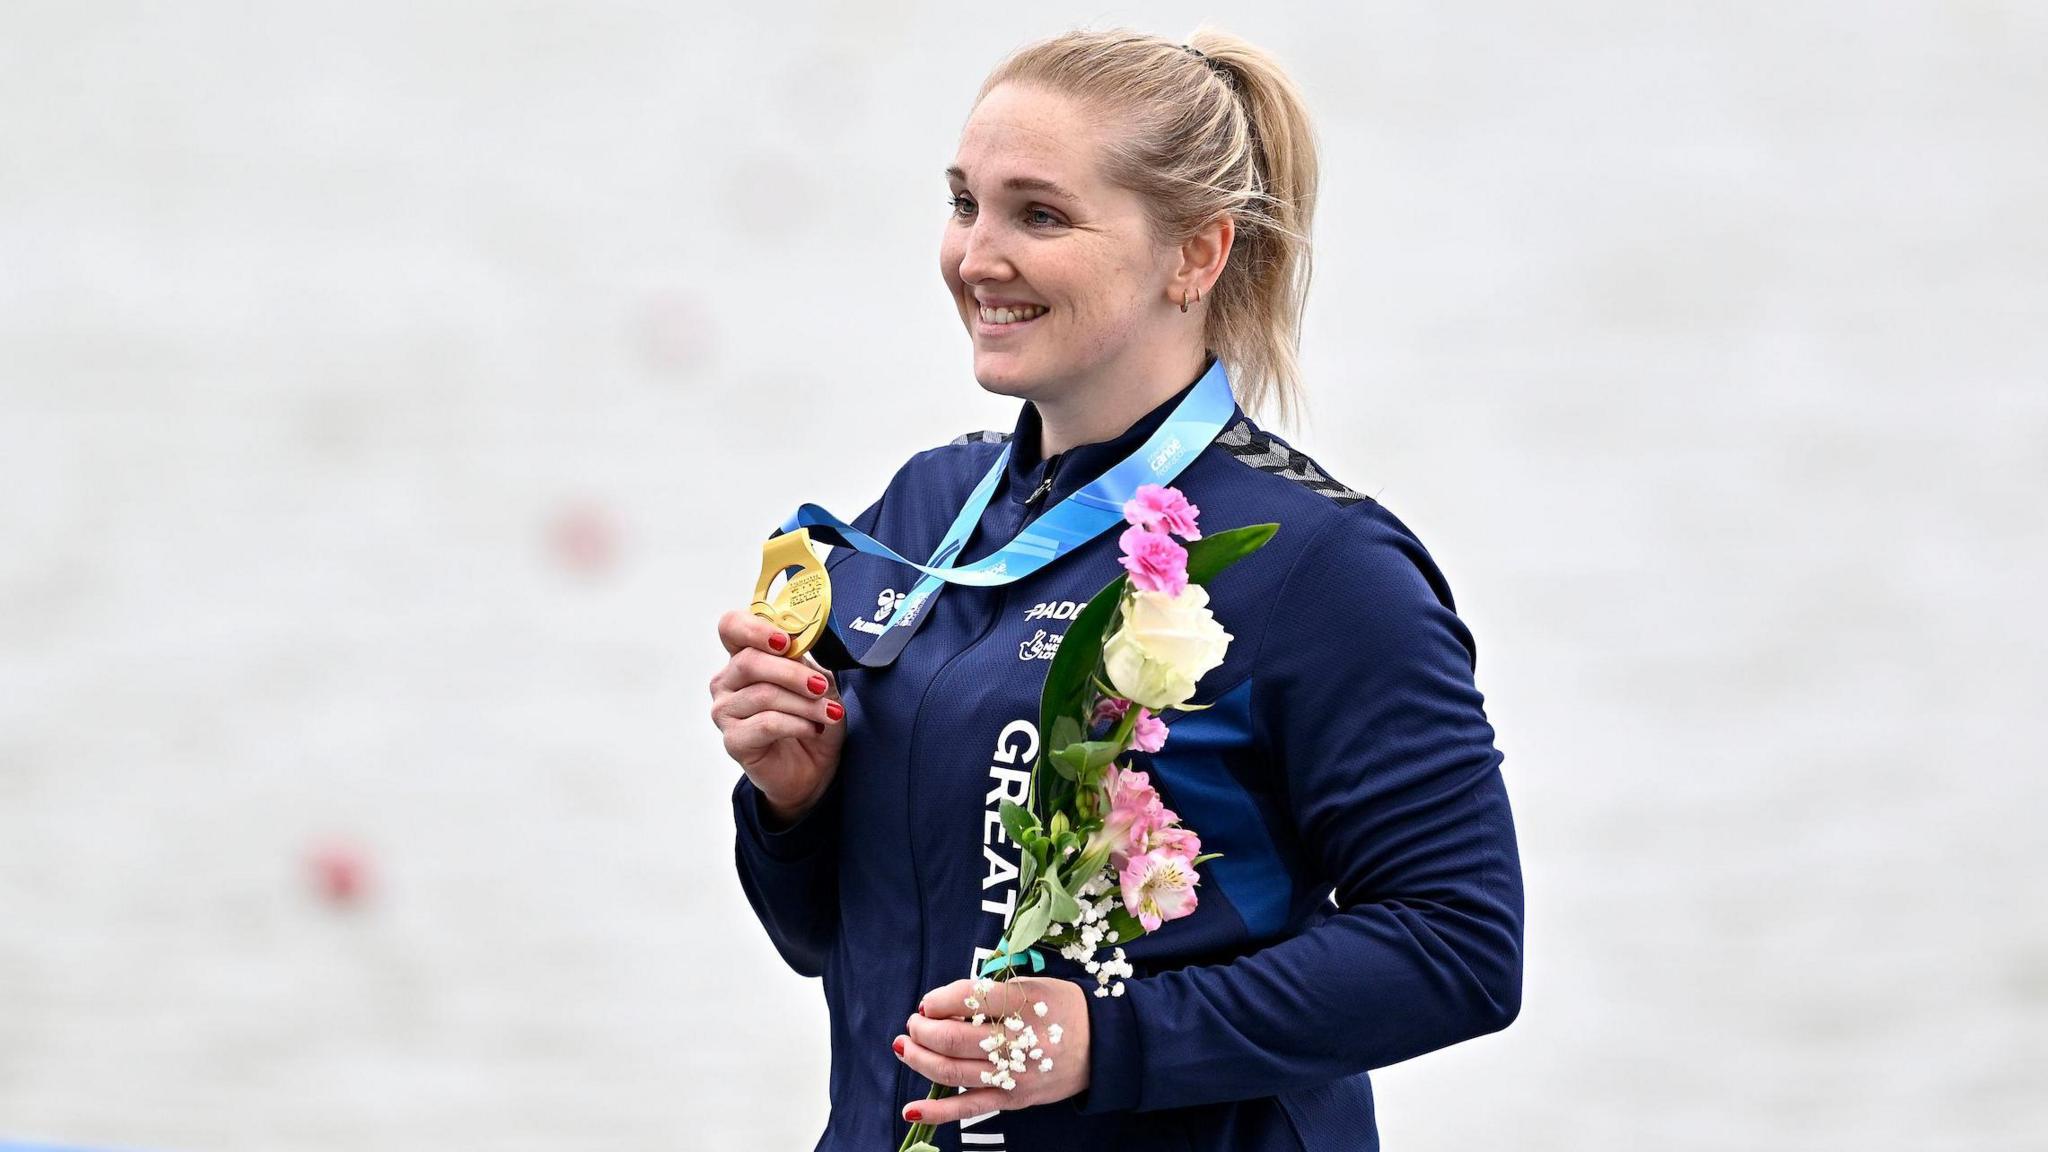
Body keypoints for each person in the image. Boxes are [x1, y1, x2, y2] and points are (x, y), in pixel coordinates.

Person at [711, 26, 1522, 1152]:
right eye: (964, 204)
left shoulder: (1320, 567)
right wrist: (795, 805)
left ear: (1195, 255)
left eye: (1037, 215)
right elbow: (828, 941)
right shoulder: (921, 515)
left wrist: (1107, 1040)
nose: (976, 256)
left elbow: (1459, 948)